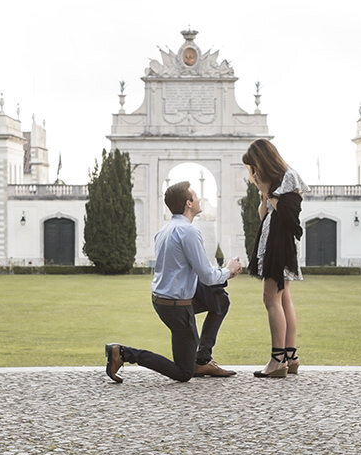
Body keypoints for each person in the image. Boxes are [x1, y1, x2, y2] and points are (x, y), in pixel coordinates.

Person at [105, 181, 242, 383]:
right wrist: (229, 271)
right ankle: (123, 353)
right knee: (184, 373)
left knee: (220, 299)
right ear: (188, 203)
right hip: (176, 307)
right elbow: (207, 276)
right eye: (195, 196)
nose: (199, 199)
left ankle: (203, 358)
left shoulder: (165, 230)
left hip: (164, 299)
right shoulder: (188, 232)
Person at [241, 138, 303, 380]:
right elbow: (264, 215)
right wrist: (263, 194)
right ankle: (290, 356)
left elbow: (291, 219)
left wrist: (268, 191)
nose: (254, 172)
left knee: (271, 299)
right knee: (283, 297)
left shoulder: (288, 178)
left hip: (279, 245)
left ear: (264, 161)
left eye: (255, 166)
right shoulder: (275, 182)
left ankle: (278, 360)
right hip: (273, 243)